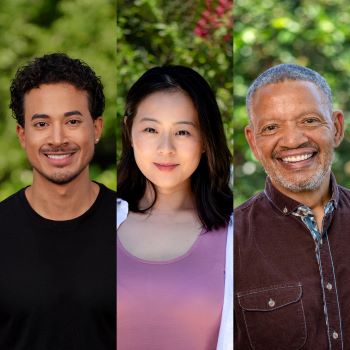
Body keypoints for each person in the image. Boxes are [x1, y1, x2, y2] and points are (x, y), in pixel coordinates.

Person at [0, 53, 115, 349]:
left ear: (97, 128)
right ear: (23, 136)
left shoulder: (134, 225)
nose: (57, 138)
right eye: (41, 124)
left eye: (73, 121)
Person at [117, 65, 233, 350]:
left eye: (182, 131)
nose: (165, 148)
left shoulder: (236, 234)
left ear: (205, 139)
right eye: (150, 129)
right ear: (129, 132)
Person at [234, 63, 349, 349]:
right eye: (271, 127)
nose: (293, 140)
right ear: (253, 142)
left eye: (309, 121)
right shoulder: (226, 242)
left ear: (336, 127)